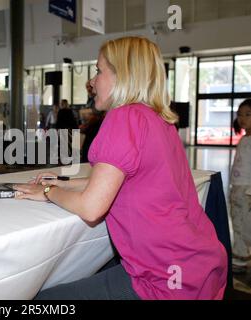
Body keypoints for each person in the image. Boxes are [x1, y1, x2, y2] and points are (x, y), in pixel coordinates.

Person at [14, 36, 227, 300]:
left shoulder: (124, 117)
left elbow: (91, 208)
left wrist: (47, 191)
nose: (91, 82)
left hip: (164, 280)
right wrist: (62, 182)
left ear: (122, 75)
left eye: (98, 71)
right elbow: (129, 180)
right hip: (199, 264)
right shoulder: (159, 119)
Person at [230, 98, 251, 273]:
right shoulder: (245, 138)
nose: (242, 118)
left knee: (246, 224)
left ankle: (242, 255)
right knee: (237, 221)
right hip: (237, 189)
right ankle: (240, 256)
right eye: (240, 115)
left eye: (248, 114)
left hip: (248, 191)